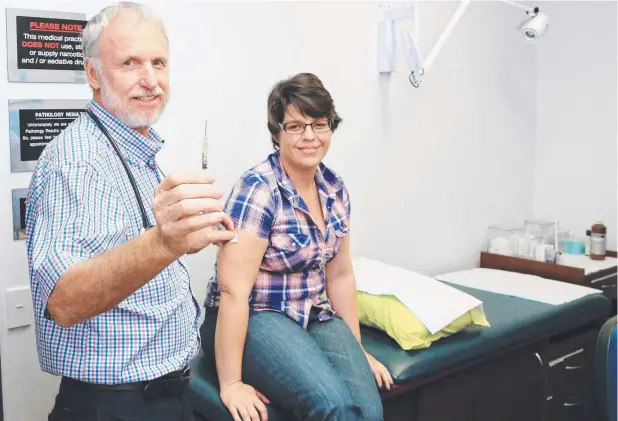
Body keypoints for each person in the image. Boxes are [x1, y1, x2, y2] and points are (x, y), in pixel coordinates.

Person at [25, 3, 235, 420]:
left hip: (163, 393)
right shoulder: (78, 160)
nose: (151, 80)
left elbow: (127, 251)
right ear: (92, 75)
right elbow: (62, 301)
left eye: (159, 62)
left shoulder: (132, 147)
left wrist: (181, 240)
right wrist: (163, 242)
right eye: (130, 63)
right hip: (118, 405)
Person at [200, 73, 394, 421]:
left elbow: (340, 276)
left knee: (370, 410)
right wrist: (230, 383)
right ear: (277, 132)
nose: (309, 136)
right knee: (332, 404)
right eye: (295, 126)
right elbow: (233, 292)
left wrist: (357, 350)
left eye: (319, 124)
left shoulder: (334, 189)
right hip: (259, 315)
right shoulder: (258, 189)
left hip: (312, 312)